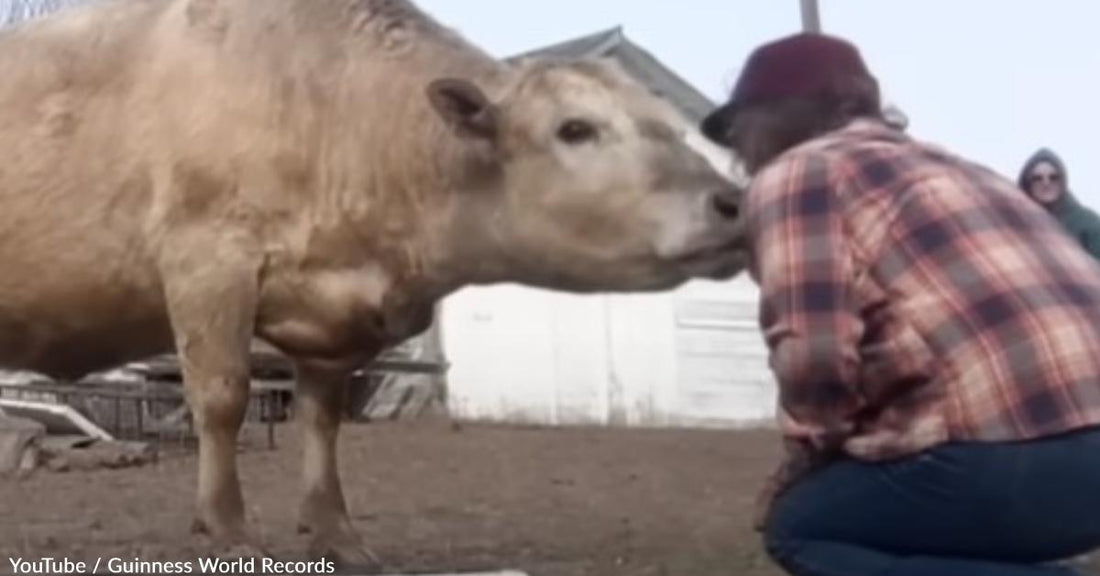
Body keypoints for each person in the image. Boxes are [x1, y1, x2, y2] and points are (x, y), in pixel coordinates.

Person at [700, 32, 1100, 576]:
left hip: (1010, 458)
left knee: (804, 526)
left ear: (785, 117)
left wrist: (804, 462)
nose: (740, 152)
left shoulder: (798, 173)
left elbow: (814, 356)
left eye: (742, 129)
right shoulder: (967, 171)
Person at [1018, 148, 1100, 259]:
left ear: (1063, 181)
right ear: (1027, 183)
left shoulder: (1087, 221)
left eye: (1054, 177)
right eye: (1037, 178)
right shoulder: (1016, 222)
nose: (1046, 183)